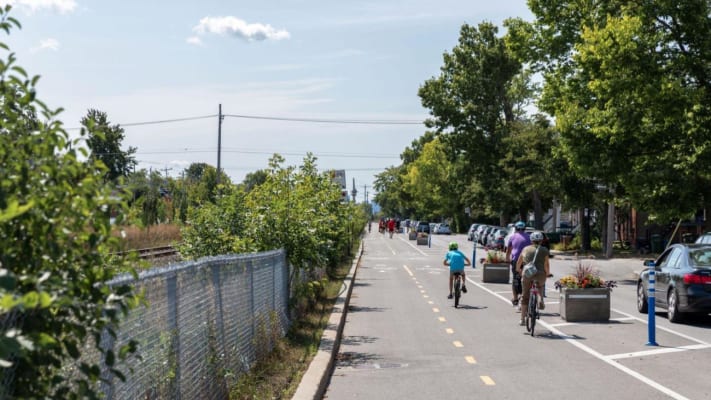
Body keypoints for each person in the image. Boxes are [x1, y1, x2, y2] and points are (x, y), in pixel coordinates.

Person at [515, 231, 551, 326]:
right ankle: (540, 299)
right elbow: (546, 264)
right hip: (540, 274)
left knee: (525, 296)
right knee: (540, 286)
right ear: (541, 241)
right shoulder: (544, 250)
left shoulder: (525, 249)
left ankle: (522, 319)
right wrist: (547, 273)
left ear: (531, 240)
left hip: (528, 274)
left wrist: (518, 270)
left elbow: (519, 262)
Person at [506, 221, 530, 307]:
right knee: (527, 278)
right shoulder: (529, 237)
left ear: (515, 228)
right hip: (527, 260)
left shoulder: (512, 237)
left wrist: (507, 259)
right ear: (524, 229)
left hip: (516, 260)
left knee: (515, 279)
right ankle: (524, 295)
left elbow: (509, 250)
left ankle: (515, 298)